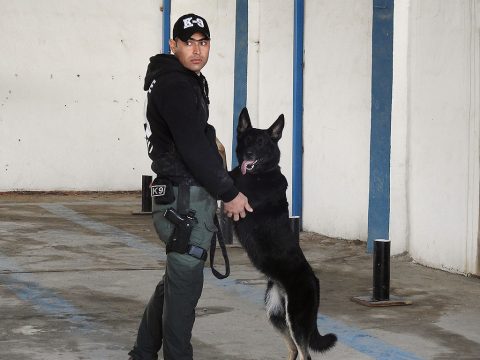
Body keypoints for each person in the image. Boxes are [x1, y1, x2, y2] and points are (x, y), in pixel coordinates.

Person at [128, 13, 252, 360]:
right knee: (185, 285)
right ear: (174, 45)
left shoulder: (181, 80)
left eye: (203, 42)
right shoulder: (176, 85)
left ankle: (142, 352)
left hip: (179, 195)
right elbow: (192, 148)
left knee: (176, 280)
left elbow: (196, 135)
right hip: (184, 199)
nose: (196, 50)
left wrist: (210, 139)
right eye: (188, 42)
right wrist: (229, 193)